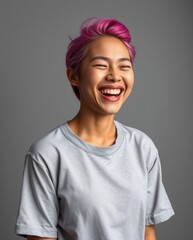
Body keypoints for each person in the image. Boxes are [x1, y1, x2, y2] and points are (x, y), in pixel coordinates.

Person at [15, 17, 174, 240]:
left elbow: (147, 231)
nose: (115, 76)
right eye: (101, 65)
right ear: (73, 76)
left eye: (124, 66)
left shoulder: (143, 147)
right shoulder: (47, 154)